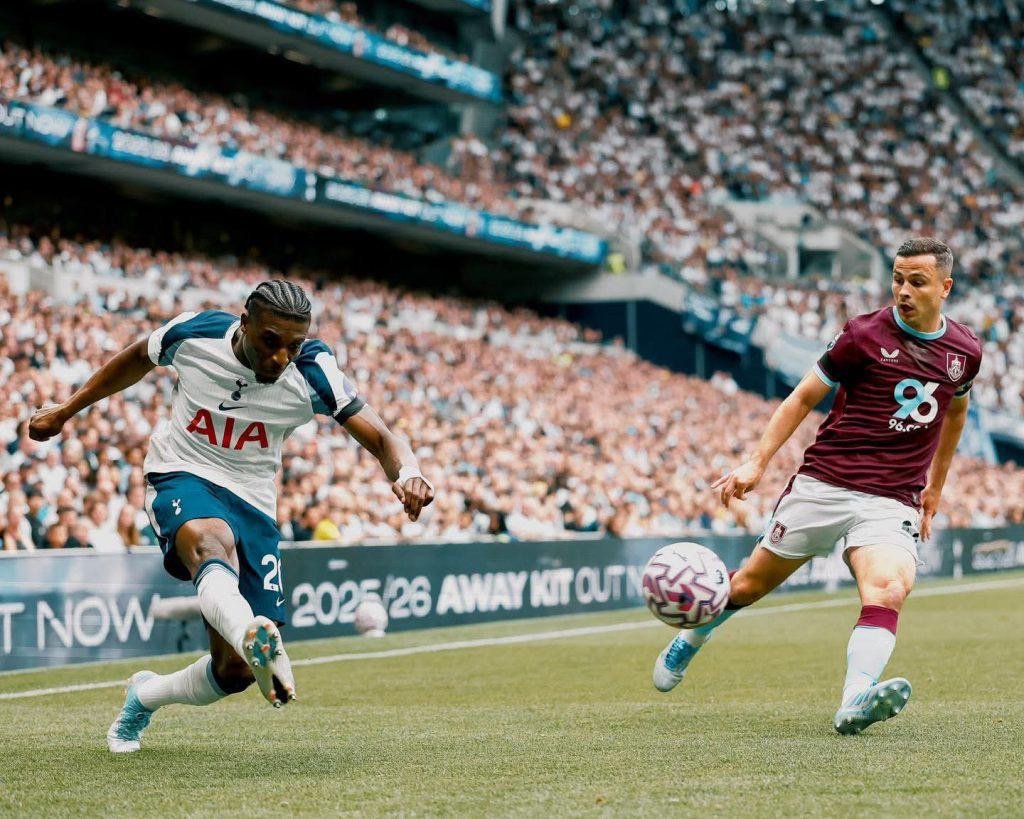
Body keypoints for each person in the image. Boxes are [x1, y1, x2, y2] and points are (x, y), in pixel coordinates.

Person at [29, 280, 434, 753]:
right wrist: (66, 410)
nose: (281, 357)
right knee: (211, 542)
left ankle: (145, 695)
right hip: (182, 471)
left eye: (293, 345)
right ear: (244, 323)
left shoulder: (312, 370)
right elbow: (138, 356)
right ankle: (249, 634)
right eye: (270, 340)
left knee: (235, 672)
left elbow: (383, 436)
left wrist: (409, 472)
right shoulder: (197, 334)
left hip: (253, 500)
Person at [652, 238, 982, 735]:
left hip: (893, 497)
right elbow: (802, 397)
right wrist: (757, 463)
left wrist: (935, 487)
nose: (903, 290)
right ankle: (692, 637)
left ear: (945, 287)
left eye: (917, 281)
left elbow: (956, 413)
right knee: (746, 586)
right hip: (825, 483)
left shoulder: (965, 351)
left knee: (889, 587)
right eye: (897, 279)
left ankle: (855, 699)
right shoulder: (862, 335)